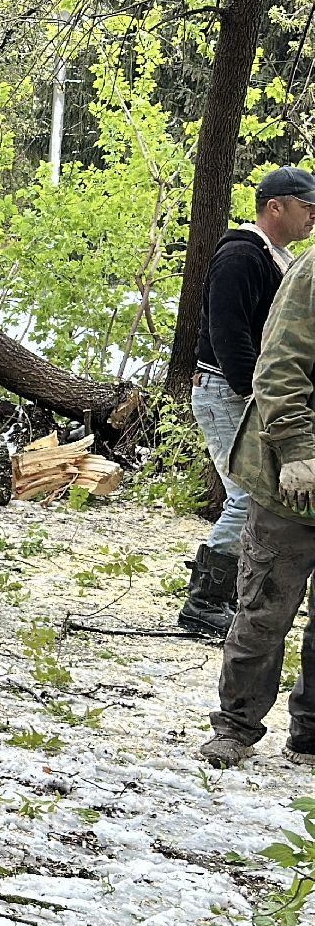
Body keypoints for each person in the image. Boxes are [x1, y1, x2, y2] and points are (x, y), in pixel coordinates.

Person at [202, 173, 315, 769]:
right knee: (267, 601)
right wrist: (296, 447)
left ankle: (313, 733)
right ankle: (236, 726)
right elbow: (275, 368)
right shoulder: (302, 270)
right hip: (291, 470)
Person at [181, 167, 315, 638]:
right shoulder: (241, 253)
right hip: (227, 389)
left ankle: (233, 594)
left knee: (254, 495)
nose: (313, 217)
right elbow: (227, 331)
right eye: (306, 207)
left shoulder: (276, 257)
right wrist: (253, 393)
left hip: (243, 391)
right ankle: (204, 601)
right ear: (274, 206)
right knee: (247, 495)